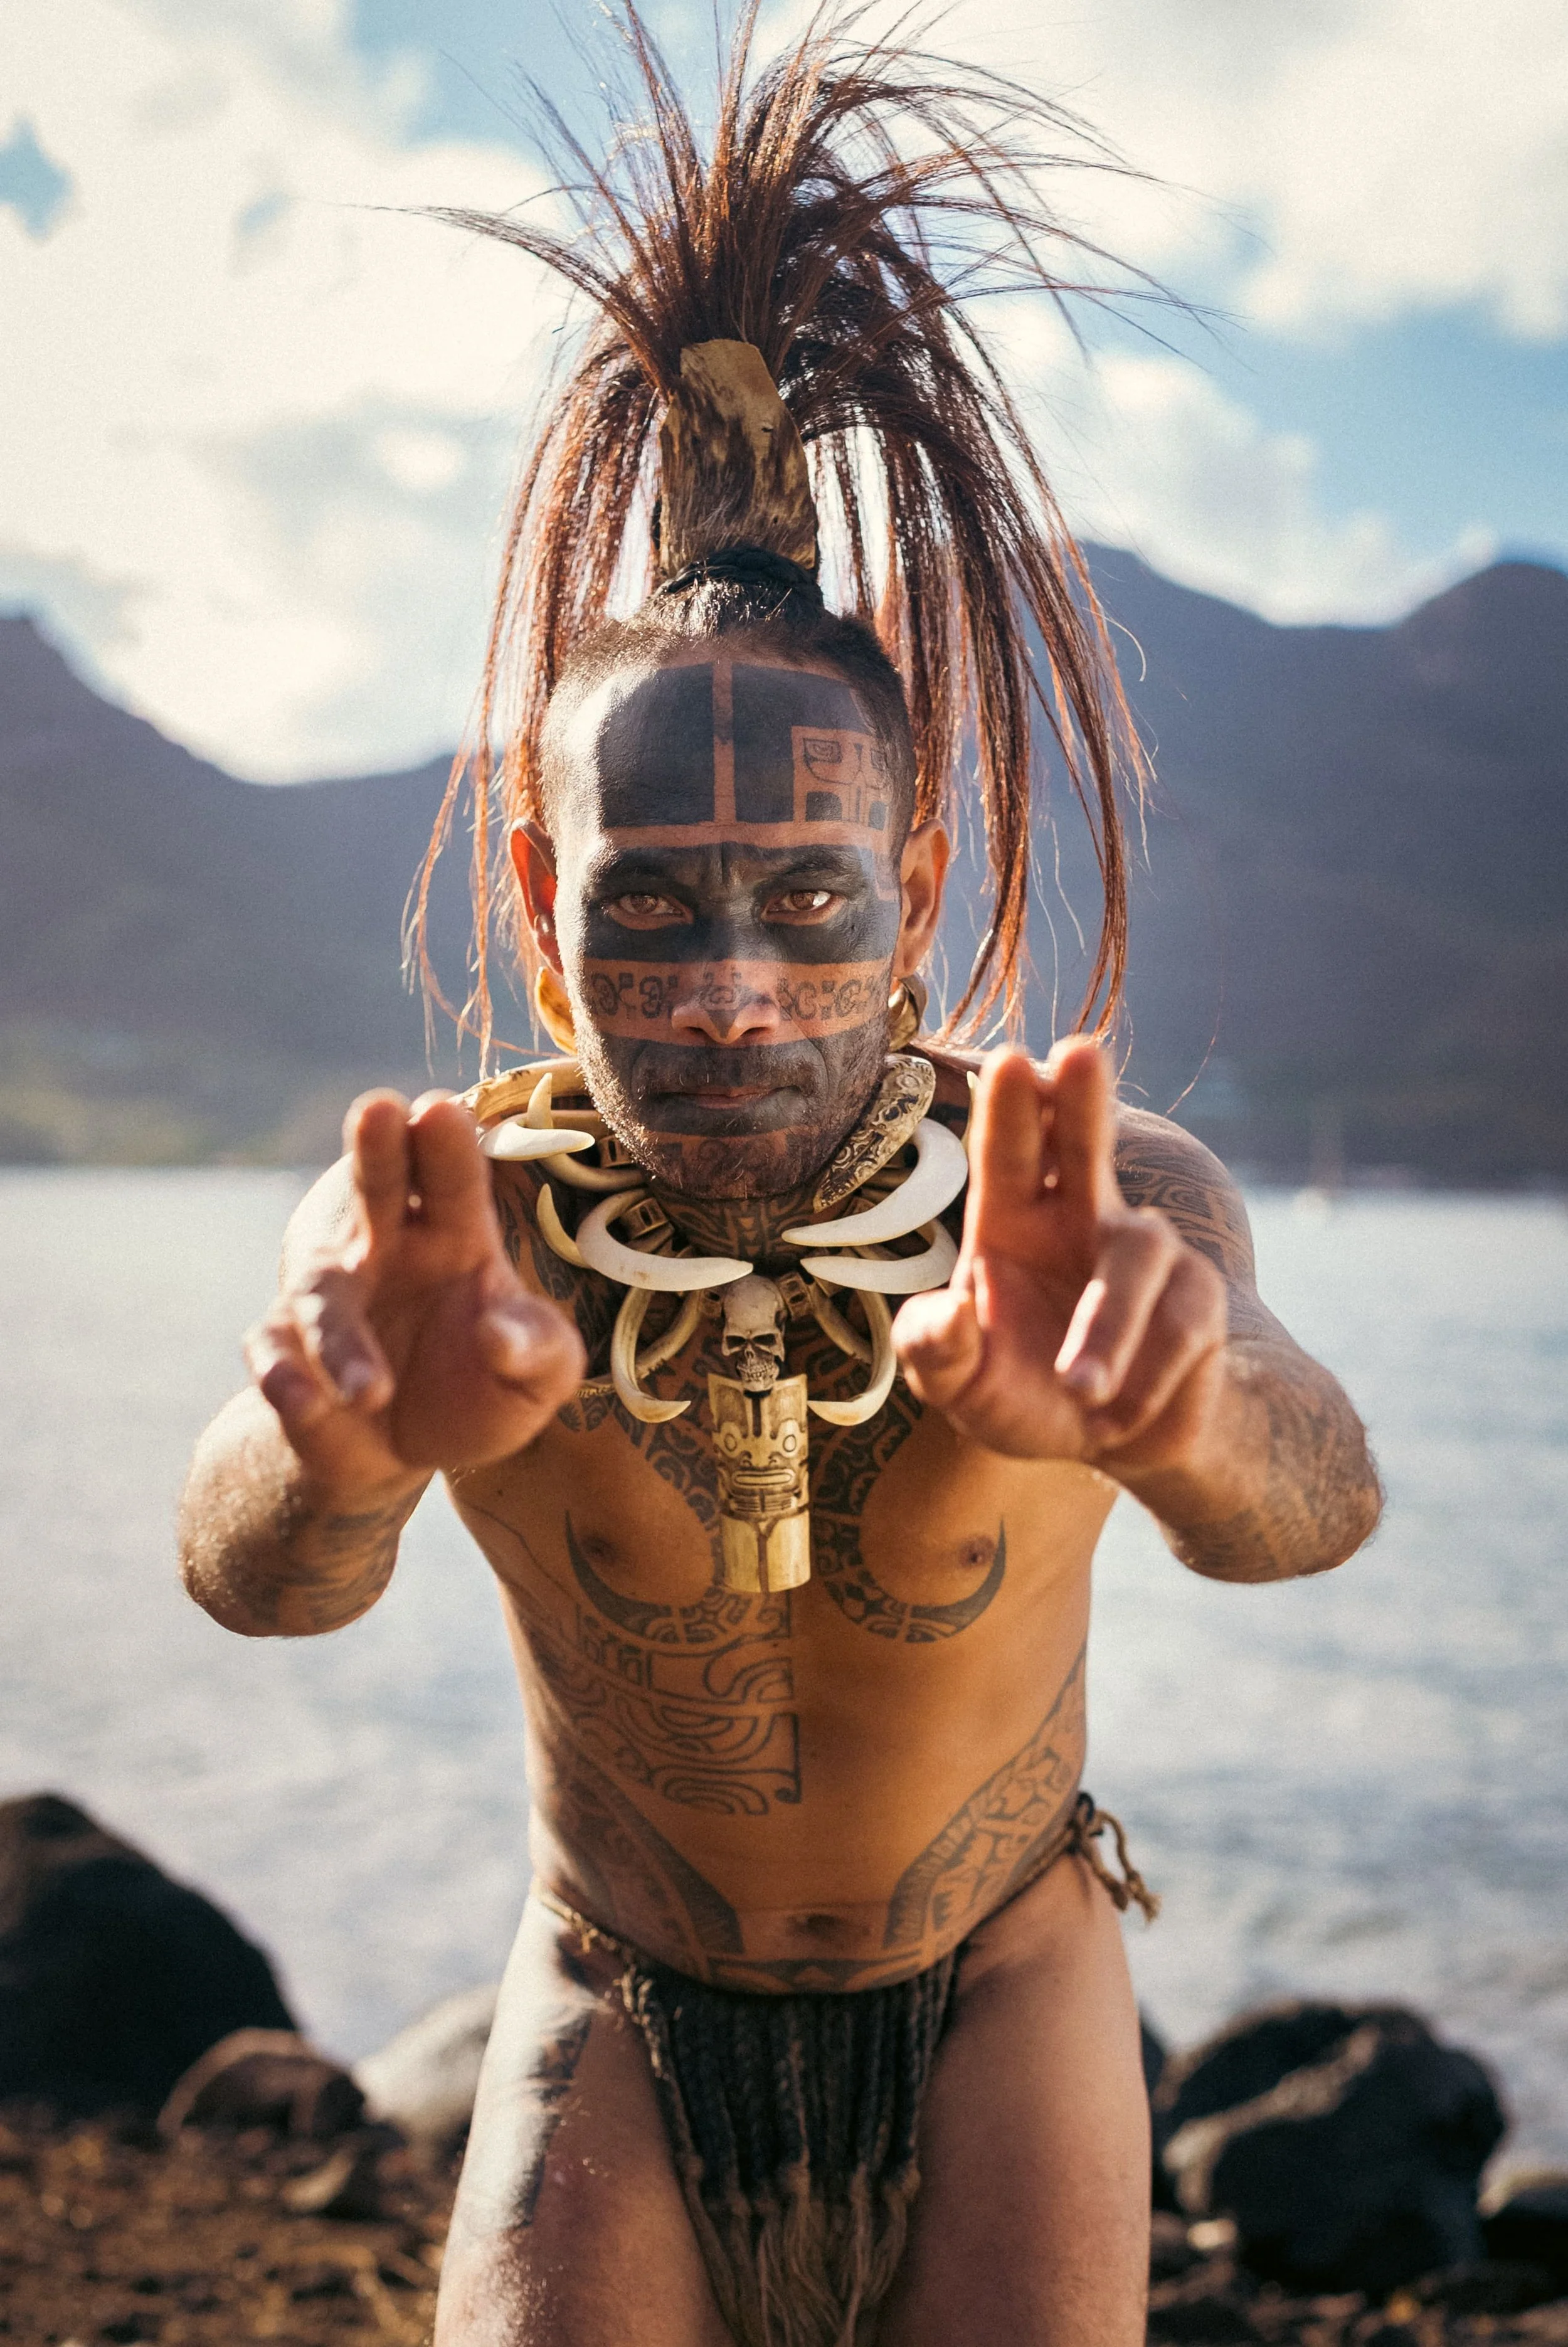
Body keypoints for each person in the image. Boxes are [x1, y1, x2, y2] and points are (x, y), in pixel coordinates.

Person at [177, 14, 1382, 2344]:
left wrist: (1183, 1413)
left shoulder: (1095, 1201)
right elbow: (259, 1576)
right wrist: (332, 1450)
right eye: (648, 906)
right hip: (614, 1996)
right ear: (542, 901)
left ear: (914, 877)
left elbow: (1310, 1502)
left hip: (1009, 1983)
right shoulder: (461, 1227)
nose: (727, 989)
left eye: (807, 907)